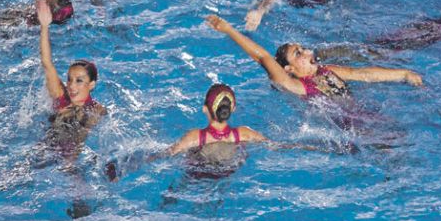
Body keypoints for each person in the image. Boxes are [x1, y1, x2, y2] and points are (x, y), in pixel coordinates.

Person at [105, 84, 353, 182]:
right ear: (233, 109)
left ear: (205, 109)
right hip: (228, 172)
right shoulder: (245, 134)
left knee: (176, 191)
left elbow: (161, 156)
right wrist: (320, 147)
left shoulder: (195, 137)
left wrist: (122, 169)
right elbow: (281, 147)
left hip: (197, 173)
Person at [206, 15, 423, 100]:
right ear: (289, 69)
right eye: (298, 53)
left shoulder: (328, 71)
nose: (307, 51)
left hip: (365, 117)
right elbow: (262, 57)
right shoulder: (296, 86)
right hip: (349, 133)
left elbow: (363, 74)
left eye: (302, 48)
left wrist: (403, 74)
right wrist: (229, 30)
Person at [30, 0, 107, 169]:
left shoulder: (96, 110)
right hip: (43, 152)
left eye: (79, 81)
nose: (71, 86)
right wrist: (44, 27)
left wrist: (70, 161)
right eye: (70, 79)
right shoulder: (60, 95)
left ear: (91, 84)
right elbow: (47, 63)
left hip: (69, 160)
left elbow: (82, 136)